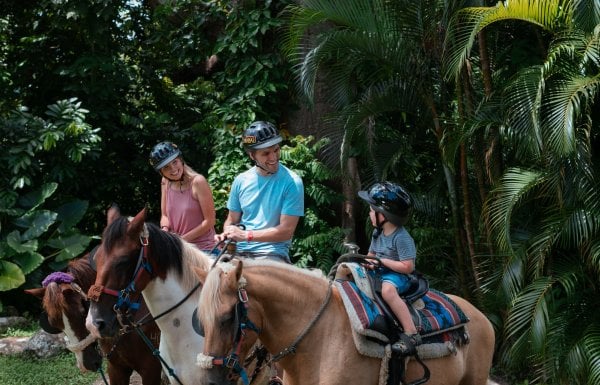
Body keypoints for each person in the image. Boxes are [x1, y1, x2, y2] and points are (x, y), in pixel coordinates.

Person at [215, 121, 304, 264]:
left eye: (276, 150)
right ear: (252, 156)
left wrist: (246, 235)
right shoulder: (240, 181)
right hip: (238, 252)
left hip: (272, 253)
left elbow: (286, 231)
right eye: (266, 153)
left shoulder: (292, 182)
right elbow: (231, 220)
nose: (273, 157)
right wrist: (227, 234)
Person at [358, 181, 422, 355]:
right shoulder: (377, 232)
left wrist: (381, 261)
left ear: (384, 215)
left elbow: (408, 266)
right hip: (381, 270)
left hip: (397, 276)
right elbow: (371, 254)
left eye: (372, 211)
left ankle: (411, 333)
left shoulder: (401, 238)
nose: (370, 214)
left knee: (387, 291)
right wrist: (365, 262)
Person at [149, 141, 216, 252]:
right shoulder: (165, 182)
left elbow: (210, 221)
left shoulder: (198, 182)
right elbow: (165, 215)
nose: (173, 169)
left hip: (203, 248)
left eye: (175, 162)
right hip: (178, 248)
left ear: (181, 160)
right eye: (166, 167)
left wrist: (180, 241)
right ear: (161, 172)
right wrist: (165, 230)